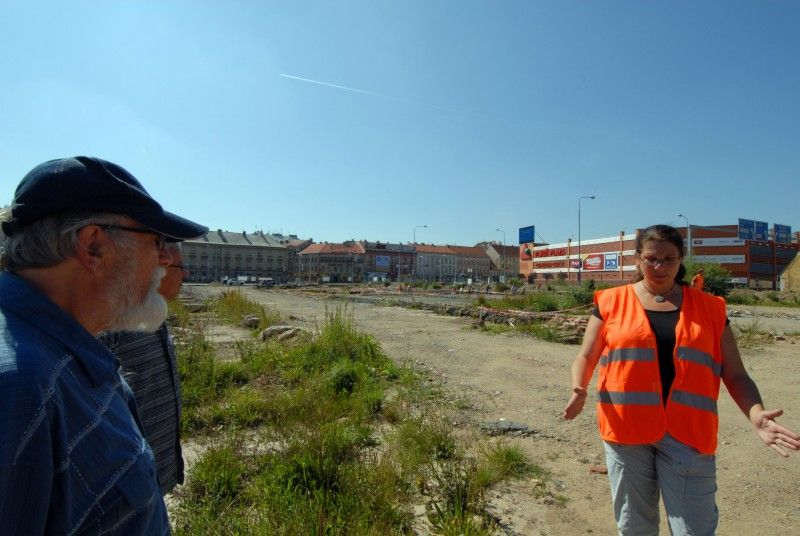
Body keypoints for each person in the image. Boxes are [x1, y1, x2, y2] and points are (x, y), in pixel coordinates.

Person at [0, 156, 207, 534]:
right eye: (155, 240)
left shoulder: (62, 354)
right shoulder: (21, 389)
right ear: (93, 247)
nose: (166, 259)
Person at [562, 224, 799, 535]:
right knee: (635, 527)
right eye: (651, 259)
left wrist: (755, 414)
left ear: (681, 259)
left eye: (669, 259)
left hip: (688, 433)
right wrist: (578, 387)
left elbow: (735, 372)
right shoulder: (610, 302)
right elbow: (586, 356)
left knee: (694, 530)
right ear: (638, 259)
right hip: (625, 429)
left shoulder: (711, 308)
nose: (659, 267)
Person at [101, 243, 187, 495]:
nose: (186, 274)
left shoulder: (152, 313)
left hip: (153, 474)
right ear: (159, 266)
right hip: (126, 485)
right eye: (181, 267)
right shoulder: (116, 319)